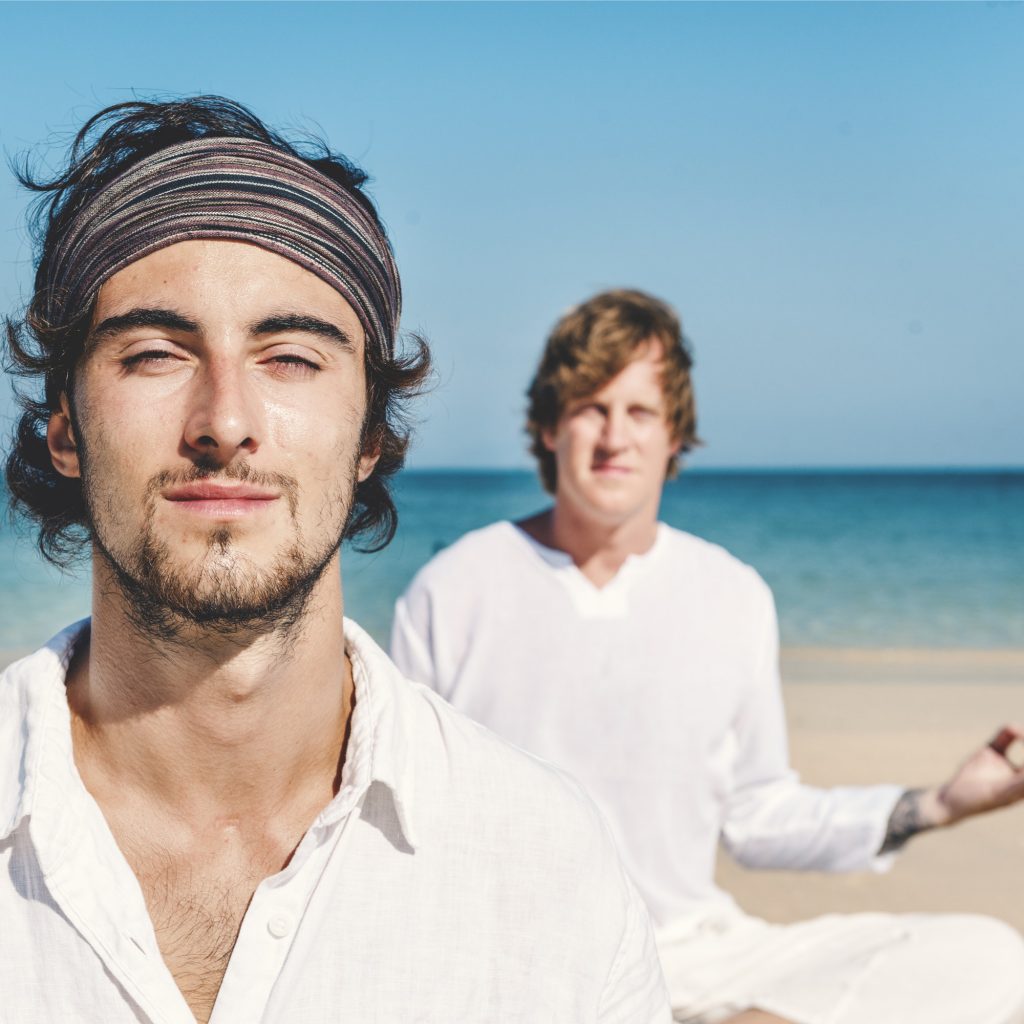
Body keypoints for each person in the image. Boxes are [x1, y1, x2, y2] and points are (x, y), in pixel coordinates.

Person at [0, 101, 669, 1023]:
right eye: (155, 353)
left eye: (291, 359)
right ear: (66, 428)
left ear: (368, 435)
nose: (225, 420)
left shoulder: (547, 869)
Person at [391, 288, 1024, 1024]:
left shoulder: (731, 593)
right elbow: (406, 817)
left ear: (674, 437)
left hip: (695, 952)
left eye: (641, 412)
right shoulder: (458, 585)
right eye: (591, 407)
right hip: (521, 967)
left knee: (988, 960)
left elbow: (759, 816)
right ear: (549, 429)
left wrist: (939, 806)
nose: (614, 436)